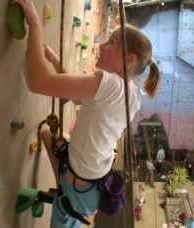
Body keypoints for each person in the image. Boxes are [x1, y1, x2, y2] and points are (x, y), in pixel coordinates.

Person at [10, 0, 160, 227]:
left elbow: (38, 83)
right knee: (46, 135)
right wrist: (54, 60)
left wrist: (35, 24)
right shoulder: (132, 95)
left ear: (128, 60)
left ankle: (60, 193)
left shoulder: (110, 84)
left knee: (64, 206)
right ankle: (58, 192)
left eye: (111, 42)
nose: (102, 45)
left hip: (80, 189)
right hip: (92, 185)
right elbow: (79, 97)